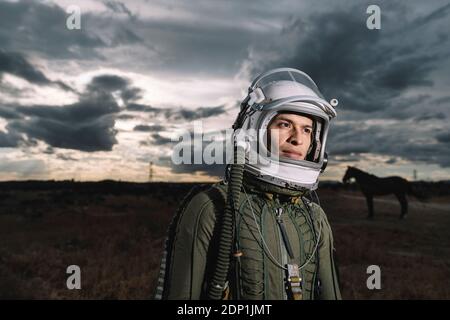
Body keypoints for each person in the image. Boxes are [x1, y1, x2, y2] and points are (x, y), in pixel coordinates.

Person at [154, 68, 341, 300]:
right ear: (252, 132)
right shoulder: (211, 207)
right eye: (285, 124)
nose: (298, 139)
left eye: (307, 129)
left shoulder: (315, 217)